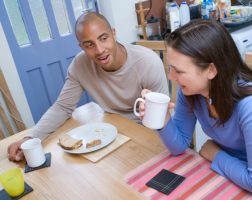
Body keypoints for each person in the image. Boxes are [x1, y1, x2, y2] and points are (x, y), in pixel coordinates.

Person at [140, 19, 252, 196]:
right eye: (170, 68)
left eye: (179, 71)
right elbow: (178, 147)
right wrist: (162, 119)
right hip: (227, 174)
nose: (171, 77)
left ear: (211, 70)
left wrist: (216, 155)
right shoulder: (191, 92)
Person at [8, 12, 168, 162]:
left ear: (113, 33)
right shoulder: (80, 65)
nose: (99, 50)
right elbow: (62, 107)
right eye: (89, 45)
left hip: (145, 131)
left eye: (103, 38)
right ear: (81, 47)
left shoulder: (148, 62)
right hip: (111, 131)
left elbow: (159, 119)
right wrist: (29, 138)